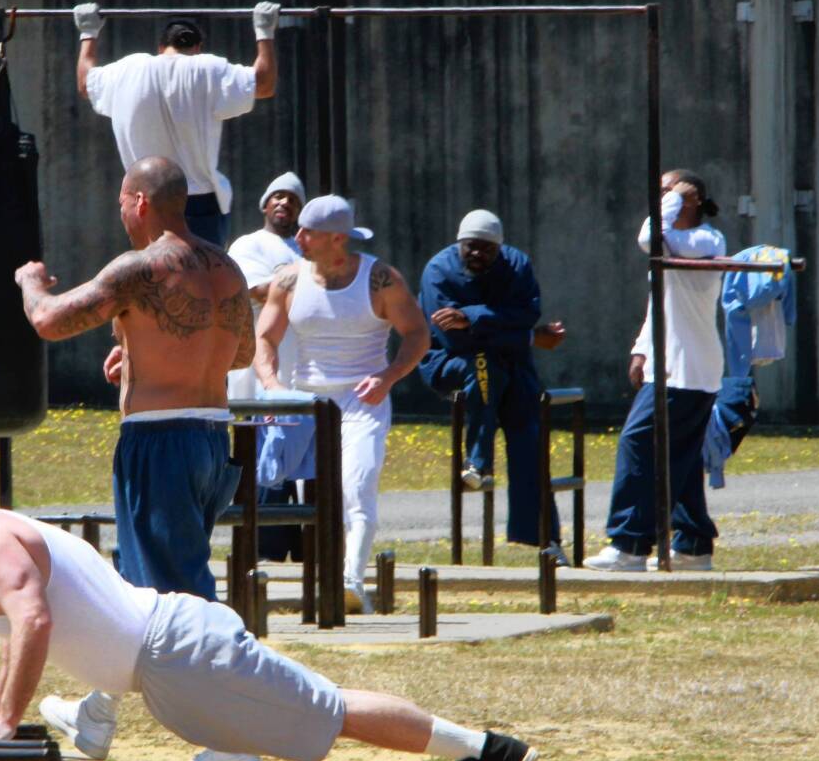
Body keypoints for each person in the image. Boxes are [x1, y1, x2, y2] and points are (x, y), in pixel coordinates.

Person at [0, 499, 540, 761]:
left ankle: (490, 751)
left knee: (331, 710)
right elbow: (16, 637)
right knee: (326, 714)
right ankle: (483, 752)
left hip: (180, 651)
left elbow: (35, 619)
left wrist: (9, 715)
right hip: (168, 671)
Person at [15, 155, 260, 761]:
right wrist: (140, 354)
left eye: (122, 201)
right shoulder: (225, 267)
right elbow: (242, 352)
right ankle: (97, 715)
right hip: (211, 437)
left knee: (182, 599)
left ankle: (233, 744)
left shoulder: (139, 268)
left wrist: (30, 279)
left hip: (161, 444)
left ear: (141, 202)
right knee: (140, 589)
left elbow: (48, 321)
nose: (119, 211)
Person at [254, 194, 430, 613]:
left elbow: (418, 335)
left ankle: (351, 580)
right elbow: (263, 338)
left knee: (358, 485)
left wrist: (388, 377)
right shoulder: (288, 280)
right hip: (305, 401)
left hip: (362, 398)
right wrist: (272, 384)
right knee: (309, 499)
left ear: (335, 238)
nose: (297, 236)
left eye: (306, 231)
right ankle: (323, 581)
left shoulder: (380, 279)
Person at [587, 170, 725, 572]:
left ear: (693, 198)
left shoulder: (706, 240)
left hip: (688, 368)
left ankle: (629, 544)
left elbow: (650, 238)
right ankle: (694, 544)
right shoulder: (675, 240)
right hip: (670, 365)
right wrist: (641, 351)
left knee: (636, 444)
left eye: (668, 191)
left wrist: (674, 199)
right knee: (677, 458)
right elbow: (660, 304)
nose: (660, 198)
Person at [417, 209, 567, 562]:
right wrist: (526, 337)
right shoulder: (438, 271)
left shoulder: (517, 265)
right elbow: (454, 341)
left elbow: (528, 312)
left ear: (500, 248)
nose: (478, 254)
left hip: (512, 368)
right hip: (450, 364)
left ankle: (546, 541)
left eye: (487, 249)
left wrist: (471, 316)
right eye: (471, 247)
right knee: (483, 365)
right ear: (459, 243)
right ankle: (478, 460)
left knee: (530, 442)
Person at [73, 1, 281, 245]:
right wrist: (264, 30)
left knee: (152, 278)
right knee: (201, 280)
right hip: (197, 200)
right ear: (198, 48)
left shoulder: (127, 70)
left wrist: (88, 32)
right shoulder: (207, 69)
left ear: (161, 47)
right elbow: (264, 84)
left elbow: (86, 83)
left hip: (143, 201)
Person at [226, 171, 305, 399]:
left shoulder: (305, 249)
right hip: (256, 358)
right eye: (278, 196)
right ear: (265, 205)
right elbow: (259, 293)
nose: (285, 203)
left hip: (298, 358)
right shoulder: (248, 244)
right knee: (254, 426)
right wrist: (315, 283)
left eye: (293, 200)